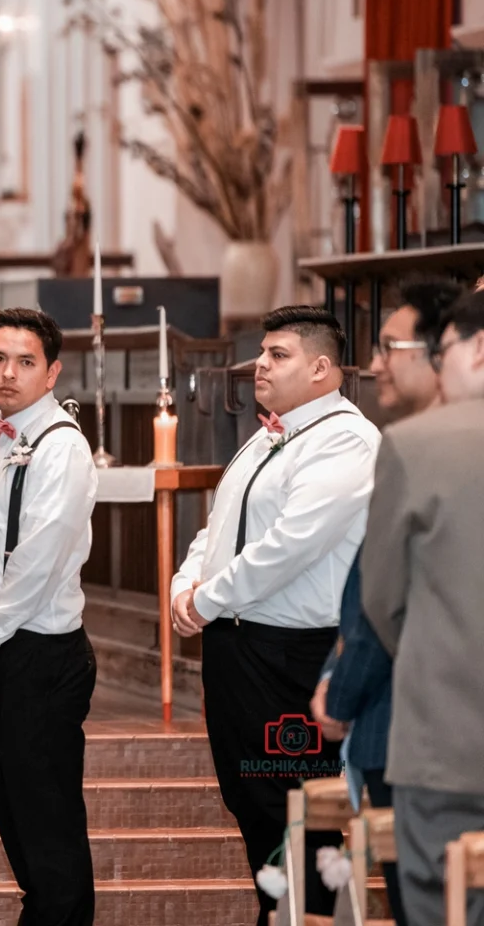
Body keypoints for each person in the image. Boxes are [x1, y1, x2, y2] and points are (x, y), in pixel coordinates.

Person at [170, 305, 380, 926]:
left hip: (293, 656)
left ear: (322, 368)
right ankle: (280, 912)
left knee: (293, 807)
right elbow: (218, 528)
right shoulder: (269, 434)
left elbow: (290, 544)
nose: (260, 364)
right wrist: (186, 585)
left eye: (277, 354)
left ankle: (304, 916)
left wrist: (205, 601)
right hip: (240, 649)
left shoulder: (347, 438)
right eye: (262, 352)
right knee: (251, 801)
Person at [309, 278, 459, 926]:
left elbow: (380, 603)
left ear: (443, 352)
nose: (373, 366)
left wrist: (338, 696)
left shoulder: (415, 448)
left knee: (420, 903)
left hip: (407, 729)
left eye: (389, 347)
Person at [0, 307, 98, 926]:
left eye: (26, 361)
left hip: (42, 656)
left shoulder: (63, 447)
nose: (9, 373)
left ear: (53, 370)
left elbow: (36, 563)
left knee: (50, 836)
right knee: (19, 825)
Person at [364, 290, 484, 926]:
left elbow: (382, 599)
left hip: (449, 744)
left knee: (442, 907)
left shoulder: (417, 443)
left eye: (446, 351)